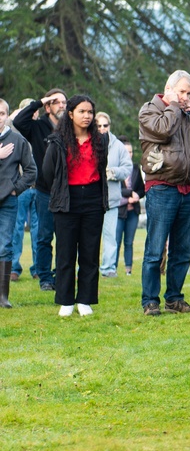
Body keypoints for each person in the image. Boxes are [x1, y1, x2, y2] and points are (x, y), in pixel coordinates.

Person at [138, 70, 190, 316]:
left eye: (189, 93)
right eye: (181, 92)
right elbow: (161, 131)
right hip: (162, 186)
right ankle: (150, 301)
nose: (185, 97)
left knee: (182, 250)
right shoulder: (149, 110)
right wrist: (173, 105)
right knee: (155, 248)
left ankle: (174, 299)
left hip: (187, 187)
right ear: (168, 88)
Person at [42, 95, 108, 316]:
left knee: (90, 252)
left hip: (92, 199)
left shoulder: (100, 140)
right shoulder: (58, 140)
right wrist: (62, 190)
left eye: (90, 112)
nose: (87, 116)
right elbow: (48, 172)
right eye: (82, 111)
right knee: (65, 252)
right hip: (67, 198)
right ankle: (66, 300)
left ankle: (85, 300)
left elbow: (102, 168)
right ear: (70, 114)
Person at [13, 88, 67, 292]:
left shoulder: (69, 128)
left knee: (65, 237)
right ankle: (45, 277)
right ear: (48, 107)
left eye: (64, 102)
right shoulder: (37, 127)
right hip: (44, 190)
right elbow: (19, 121)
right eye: (57, 102)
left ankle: (62, 275)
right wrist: (39, 101)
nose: (62, 105)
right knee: (44, 236)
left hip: (66, 191)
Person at [0, 98, 38, 308]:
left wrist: (16, 189)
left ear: (8, 116)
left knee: (5, 246)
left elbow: (31, 170)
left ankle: (2, 297)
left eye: (2, 114)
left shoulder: (18, 140)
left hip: (8, 201)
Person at [94, 113, 131, 278]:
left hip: (111, 198)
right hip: (91, 198)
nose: (102, 128)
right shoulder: (88, 143)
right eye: (99, 125)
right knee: (89, 237)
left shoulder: (118, 146)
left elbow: (127, 168)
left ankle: (108, 268)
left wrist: (113, 172)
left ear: (109, 126)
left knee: (110, 236)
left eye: (105, 125)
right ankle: (88, 268)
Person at [7, 99, 40, 281]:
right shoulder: (13, 131)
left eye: (34, 111)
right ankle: (13, 267)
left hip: (39, 186)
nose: (32, 114)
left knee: (39, 229)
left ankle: (37, 268)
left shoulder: (39, 129)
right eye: (27, 111)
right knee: (17, 228)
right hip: (21, 186)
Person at [115, 139, 143, 276]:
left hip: (133, 212)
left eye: (131, 152)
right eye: (127, 152)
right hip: (119, 212)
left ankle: (128, 270)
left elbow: (142, 189)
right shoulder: (116, 169)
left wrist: (137, 195)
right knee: (116, 241)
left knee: (129, 242)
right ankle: (112, 268)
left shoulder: (136, 168)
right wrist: (128, 196)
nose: (129, 154)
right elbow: (115, 190)